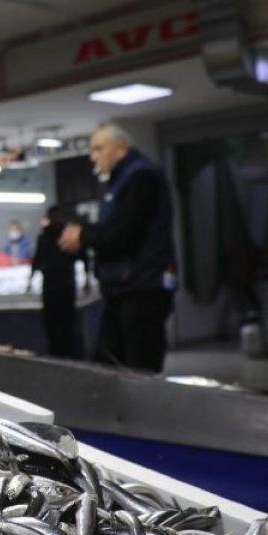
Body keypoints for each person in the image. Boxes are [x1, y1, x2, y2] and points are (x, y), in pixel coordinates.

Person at [59, 124, 176, 372]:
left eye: (99, 148)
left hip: (141, 289)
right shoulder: (119, 181)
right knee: (109, 364)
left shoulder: (140, 178)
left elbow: (125, 234)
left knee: (139, 370)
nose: (93, 156)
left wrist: (85, 235)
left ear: (121, 149)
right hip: (122, 289)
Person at [28, 206, 89, 358]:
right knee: (51, 324)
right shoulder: (44, 237)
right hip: (49, 286)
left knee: (67, 323)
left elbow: (83, 256)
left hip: (66, 284)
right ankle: (55, 353)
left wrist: (87, 278)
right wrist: (30, 279)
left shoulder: (68, 236)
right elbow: (37, 259)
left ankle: (69, 354)